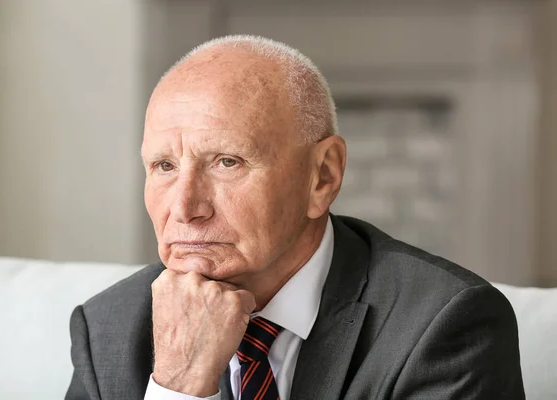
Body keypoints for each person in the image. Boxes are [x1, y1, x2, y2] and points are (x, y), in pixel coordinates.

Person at [65, 35, 525, 400]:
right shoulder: (110, 327)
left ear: (322, 176)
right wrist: (178, 387)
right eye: (164, 167)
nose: (184, 208)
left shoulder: (443, 326)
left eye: (227, 162)